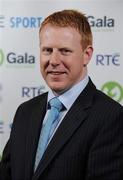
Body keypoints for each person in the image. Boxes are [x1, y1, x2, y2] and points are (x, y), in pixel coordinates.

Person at [0, 9, 123, 180]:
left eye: (65, 51)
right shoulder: (25, 111)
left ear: (86, 55)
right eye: (47, 50)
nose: (54, 61)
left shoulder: (111, 117)